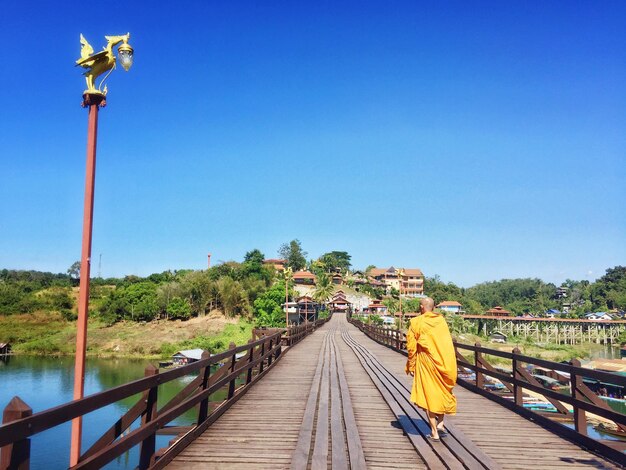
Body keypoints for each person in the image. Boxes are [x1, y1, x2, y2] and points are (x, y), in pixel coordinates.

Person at [405, 297, 457, 441]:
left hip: (426, 363)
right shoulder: (441, 321)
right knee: (441, 391)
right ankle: (440, 422)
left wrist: (412, 364)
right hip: (443, 362)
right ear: (433, 308)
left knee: (429, 395)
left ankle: (434, 432)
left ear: (422, 307)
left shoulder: (416, 322)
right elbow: (446, 344)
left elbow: (411, 347)